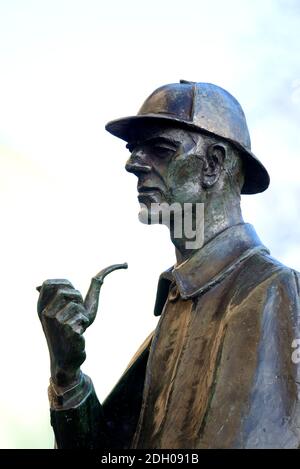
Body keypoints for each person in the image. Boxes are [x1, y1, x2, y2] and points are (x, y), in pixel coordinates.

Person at [37, 81, 300, 449]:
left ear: (213, 164)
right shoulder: (181, 301)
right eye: (134, 150)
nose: (132, 164)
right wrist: (67, 376)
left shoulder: (267, 290)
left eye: (159, 149)